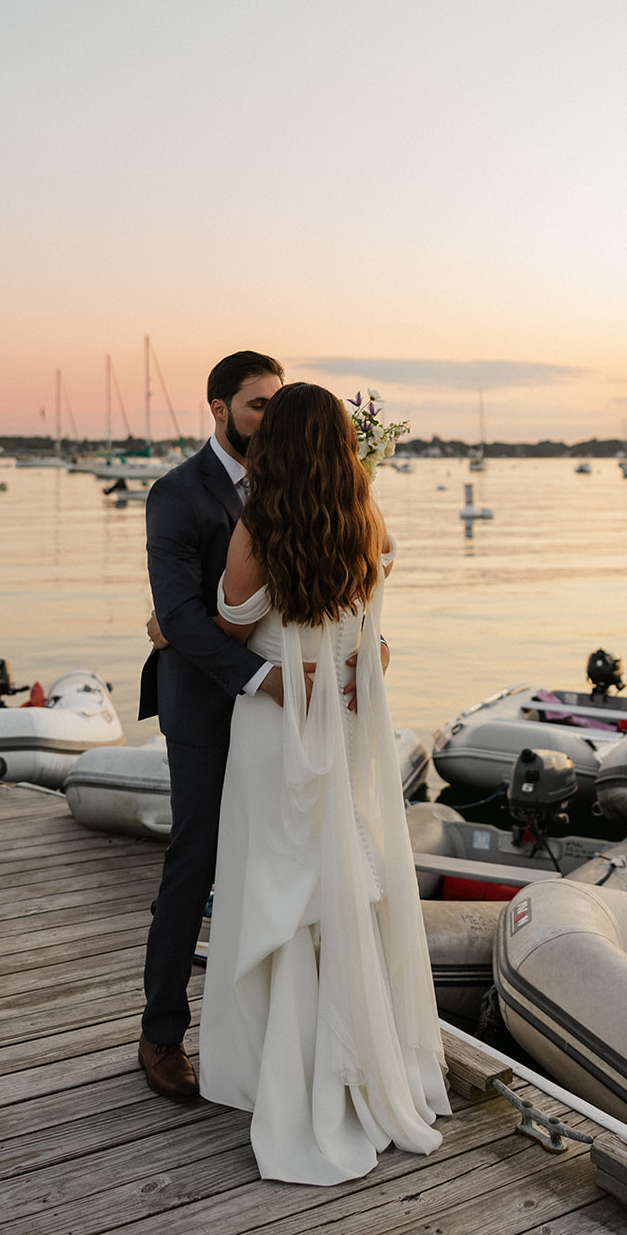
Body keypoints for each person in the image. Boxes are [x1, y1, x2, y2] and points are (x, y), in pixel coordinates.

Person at [199, 382, 449, 1184]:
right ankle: (346, 1060)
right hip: (340, 721)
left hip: (276, 725)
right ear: (343, 443)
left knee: (276, 880)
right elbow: (371, 631)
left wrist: (169, 623)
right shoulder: (365, 518)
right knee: (336, 878)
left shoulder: (258, 526)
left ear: (275, 443)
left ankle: (283, 1067)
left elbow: (232, 625)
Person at [137, 350, 285, 1101]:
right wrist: (263, 677)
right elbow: (179, 617)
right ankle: (161, 1032)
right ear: (219, 409)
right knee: (193, 864)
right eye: (257, 404)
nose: (269, 418)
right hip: (206, 705)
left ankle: (270, 1030)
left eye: (277, 404)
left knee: (277, 861)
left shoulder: (293, 482)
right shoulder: (175, 493)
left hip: (282, 709)